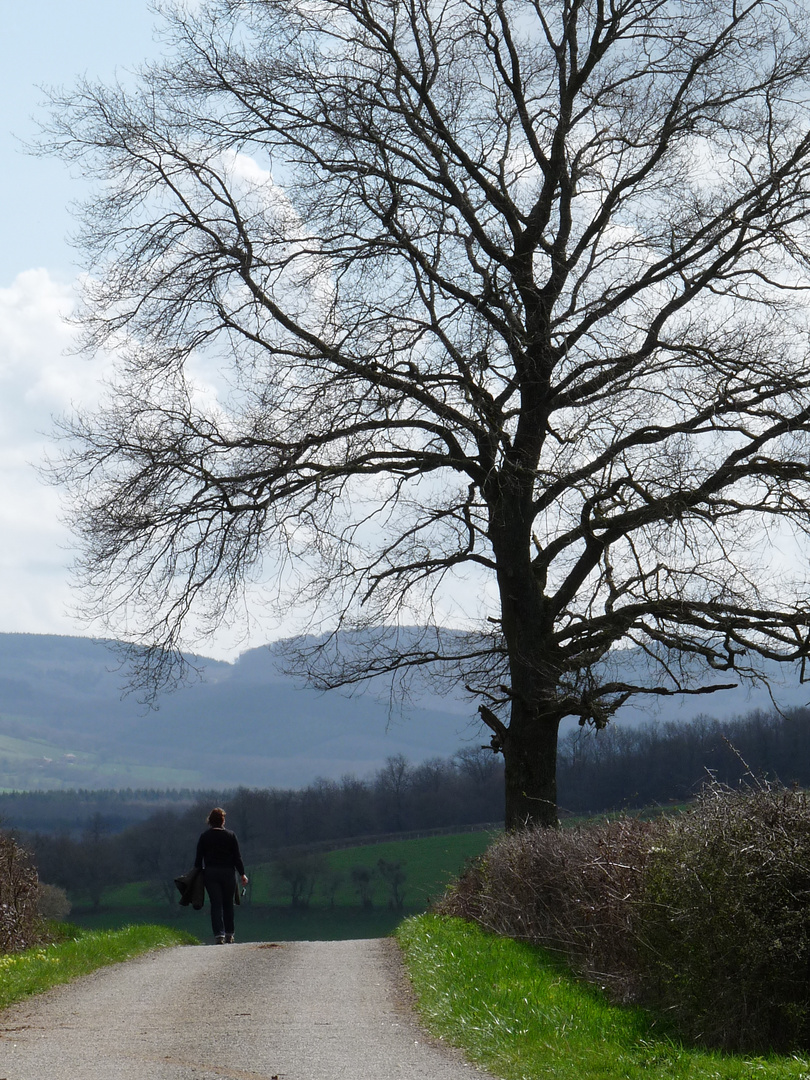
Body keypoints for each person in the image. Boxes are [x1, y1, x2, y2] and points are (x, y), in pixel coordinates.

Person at [194, 807, 248, 944]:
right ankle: (230, 934)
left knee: (216, 904)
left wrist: (197, 874)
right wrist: (242, 874)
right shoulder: (231, 835)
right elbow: (237, 857)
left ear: (210, 821)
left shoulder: (204, 837)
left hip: (211, 873)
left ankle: (219, 935)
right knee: (228, 903)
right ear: (223, 821)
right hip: (228, 873)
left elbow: (198, 859)